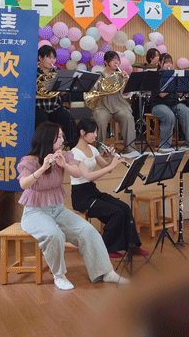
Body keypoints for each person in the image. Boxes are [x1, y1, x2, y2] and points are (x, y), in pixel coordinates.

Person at [17, 122, 128, 290]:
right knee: (54, 235)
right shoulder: (29, 160)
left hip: (58, 209)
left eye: (62, 136)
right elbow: (24, 184)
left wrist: (65, 165)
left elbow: (77, 174)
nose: (63, 140)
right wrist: (43, 168)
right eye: (59, 137)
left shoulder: (65, 155)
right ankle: (59, 275)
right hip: (35, 213)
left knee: (89, 231)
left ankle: (106, 272)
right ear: (48, 139)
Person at [67, 118, 148, 258]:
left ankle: (132, 246)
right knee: (116, 213)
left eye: (96, 132)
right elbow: (88, 176)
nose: (95, 135)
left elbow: (106, 167)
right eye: (92, 132)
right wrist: (112, 165)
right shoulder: (75, 153)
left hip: (92, 191)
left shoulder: (92, 149)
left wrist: (110, 158)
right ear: (82, 132)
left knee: (124, 208)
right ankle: (104, 248)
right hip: (81, 196)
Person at [91, 51, 138, 156]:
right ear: (106, 62)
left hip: (119, 105)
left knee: (128, 117)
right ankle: (100, 150)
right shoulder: (99, 75)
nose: (116, 62)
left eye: (117, 59)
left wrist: (126, 81)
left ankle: (131, 149)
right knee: (101, 120)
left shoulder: (121, 75)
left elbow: (126, 95)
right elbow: (94, 91)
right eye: (113, 60)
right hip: (102, 106)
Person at [151, 53, 189, 152]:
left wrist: (180, 87)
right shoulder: (156, 76)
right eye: (165, 63)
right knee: (169, 116)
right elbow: (161, 95)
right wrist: (172, 83)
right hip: (158, 105)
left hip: (173, 103)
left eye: (170, 62)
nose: (168, 65)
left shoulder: (175, 75)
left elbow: (180, 95)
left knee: (186, 112)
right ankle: (164, 146)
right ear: (159, 63)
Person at [35, 45, 76, 146]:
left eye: (54, 58)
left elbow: (62, 94)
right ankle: (44, 150)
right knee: (43, 125)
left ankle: (74, 149)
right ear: (40, 58)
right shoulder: (33, 72)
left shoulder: (58, 72)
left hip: (55, 107)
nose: (52, 60)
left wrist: (62, 87)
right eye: (49, 57)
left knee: (70, 120)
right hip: (39, 107)